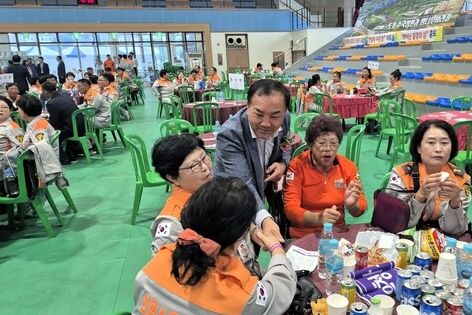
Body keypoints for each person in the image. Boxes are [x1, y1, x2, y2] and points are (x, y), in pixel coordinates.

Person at [128, 177, 296, 315]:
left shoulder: (155, 263)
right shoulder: (239, 298)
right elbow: (281, 288)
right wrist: (276, 248)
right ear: (239, 239)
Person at [213, 79, 291, 246]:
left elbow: (286, 142)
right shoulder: (230, 135)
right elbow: (243, 182)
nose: (266, 123)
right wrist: (264, 218)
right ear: (247, 107)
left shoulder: (285, 119)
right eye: (259, 114)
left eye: (275, 116)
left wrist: (283, 164)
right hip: (232, 200)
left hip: (262, 189)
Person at [283, 115, 366, 238]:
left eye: (333, 144)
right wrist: (319, 218)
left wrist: (352, 205)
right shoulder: (297, 165)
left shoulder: (349, 167)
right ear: (310, 145)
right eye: (321, 143)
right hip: (304, 234)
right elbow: (290, 209)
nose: (328, 149)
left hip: (337, 232)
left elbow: (361, 206)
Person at [387, 119, 471, 235]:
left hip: (443, 238)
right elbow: (394, 221)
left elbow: (455, 230)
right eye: (431, 142)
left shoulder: (461, 179)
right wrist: (420, 195)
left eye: (444, 143)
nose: (438, 149)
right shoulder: (402, 175)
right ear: (419, 148)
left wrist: (455, 201)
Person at [150, 134, 213, 254]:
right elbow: (163, 265)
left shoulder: (210, 191)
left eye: (204, 158)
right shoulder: (173, 221)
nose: (205, 167)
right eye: (194, 165)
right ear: (173, 178)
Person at [42, 82, 84, 164]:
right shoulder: (65, 96)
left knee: (52, 135)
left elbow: (54, 122)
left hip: (71, 129)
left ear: (45, 92)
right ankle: (72, 152)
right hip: (83, 126)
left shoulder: (51, 103)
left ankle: (64, 158)